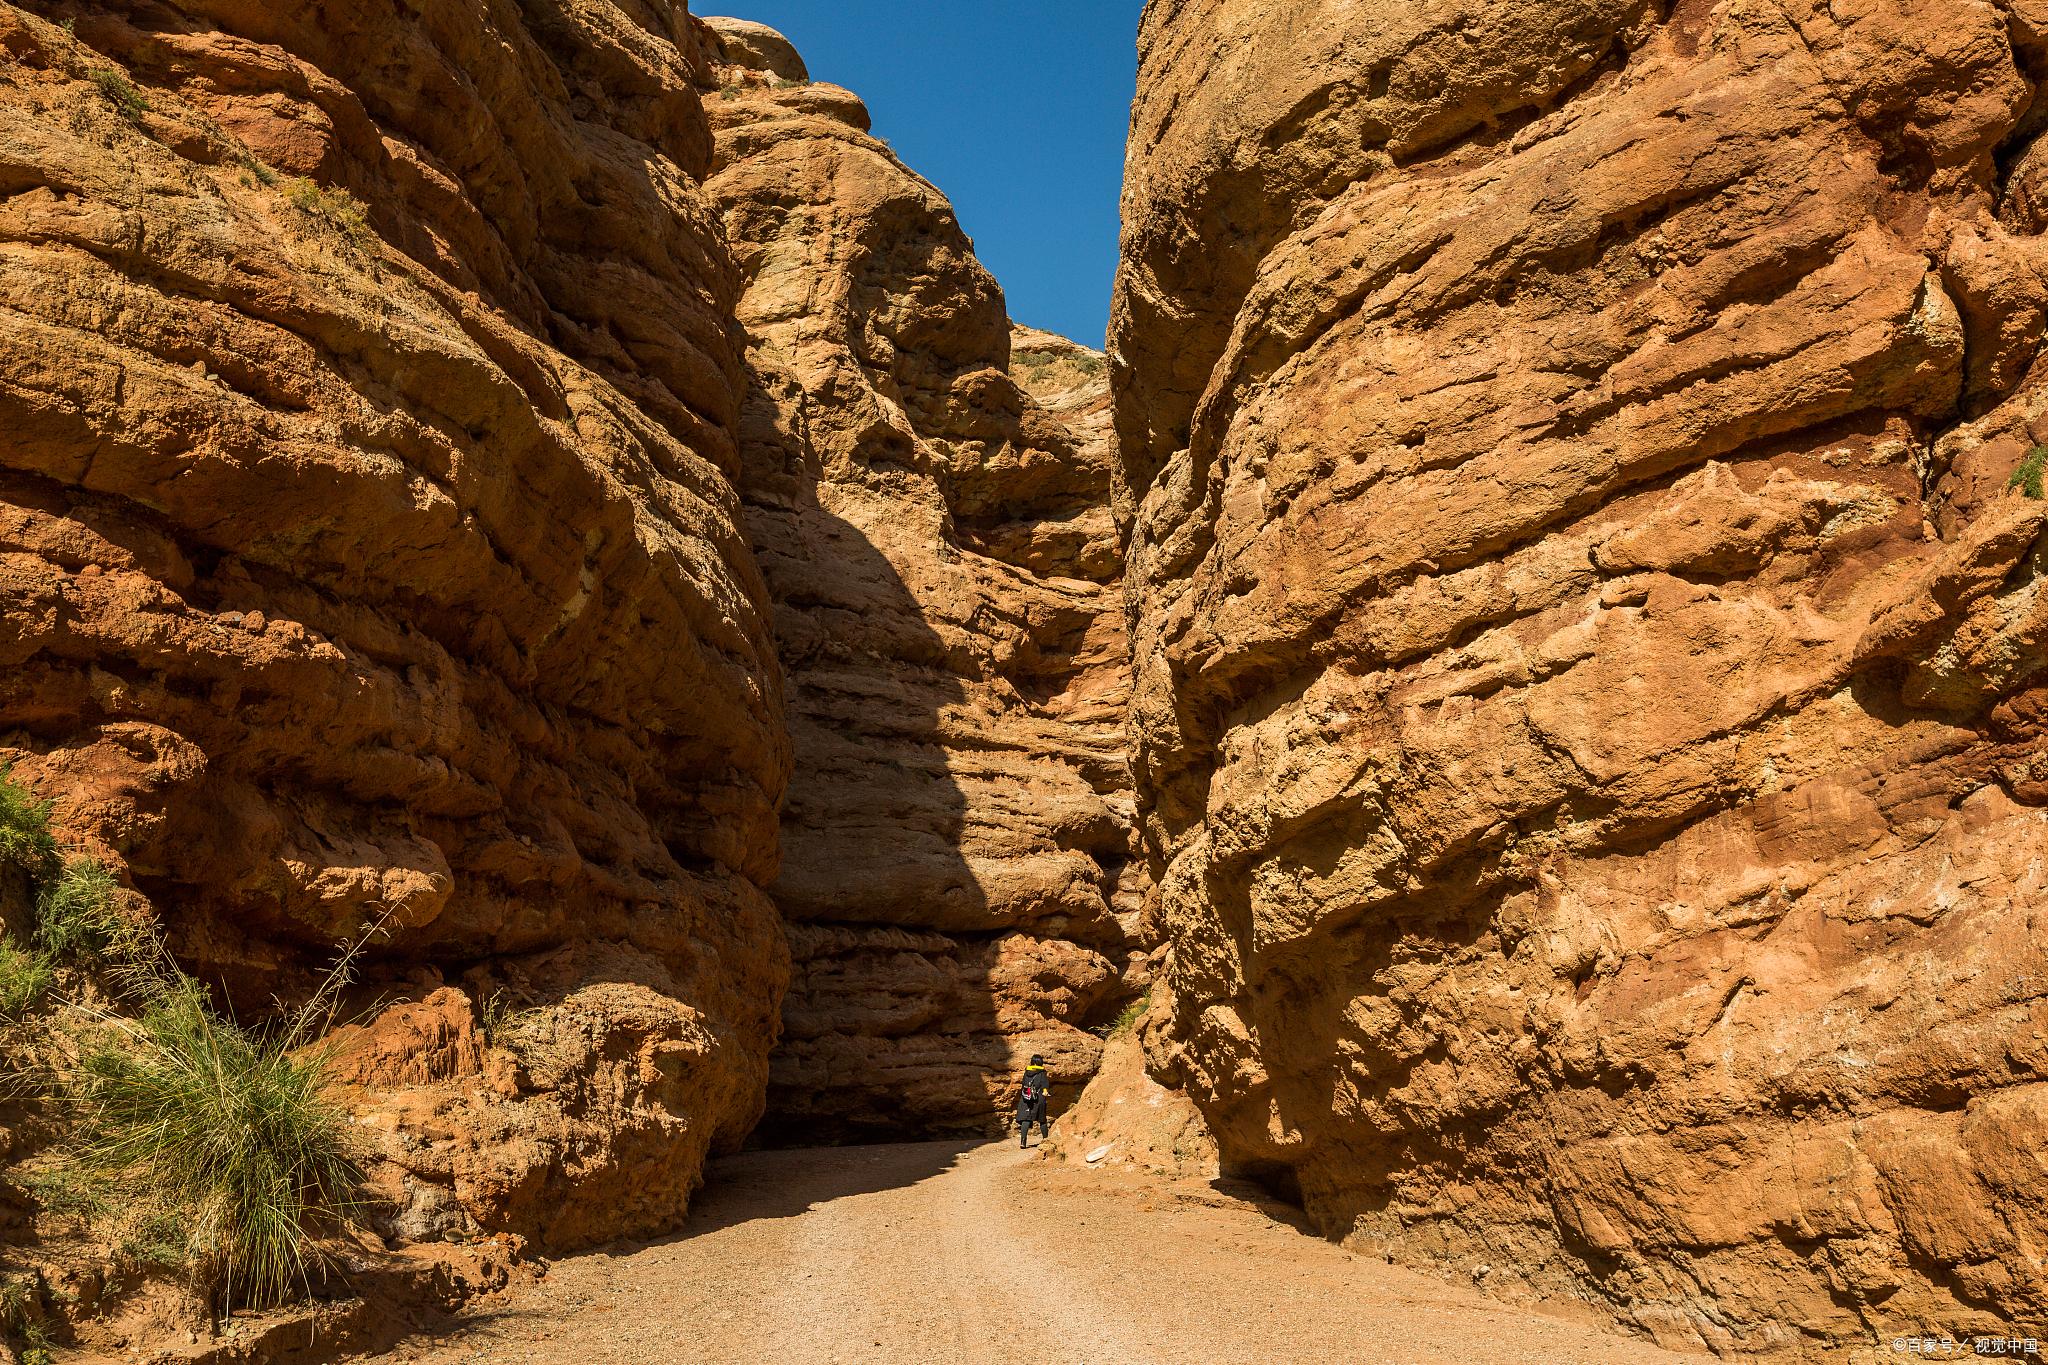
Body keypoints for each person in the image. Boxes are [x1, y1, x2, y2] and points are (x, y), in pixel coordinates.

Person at [1016, 1056, 1052, 1148]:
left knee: (1026, 1119)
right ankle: (1046, 1140)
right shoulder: (1042, 1073)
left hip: (1026, 1098)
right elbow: (1045, 1084)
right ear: (1040, 1062)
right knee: (1042, 1119)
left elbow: (1024, 1083)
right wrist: (1045, 1091)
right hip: (1038, 1098)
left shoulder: (1027, 1071)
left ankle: (1023, 1142)